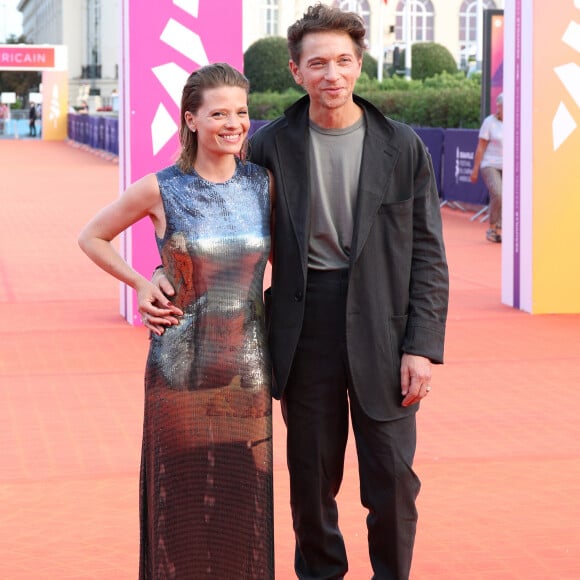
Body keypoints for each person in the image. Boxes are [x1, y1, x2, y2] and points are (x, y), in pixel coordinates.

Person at [149, 5, 448, 579]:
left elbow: (430, 255)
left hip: (385, 329)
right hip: (301, 325)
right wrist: (164, 268)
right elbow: (210, 208)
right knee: (310, 480)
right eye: (317, 63)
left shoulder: (402, 146)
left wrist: (421, 346)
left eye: (342, 60)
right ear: (295, 71)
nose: (331, 74)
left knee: (392, 480)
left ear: (359, 65)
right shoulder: (269, 148)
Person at [78, 63, 275, 579]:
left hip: (248, 371)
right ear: (191, 119)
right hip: (179, 369)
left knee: (242, 504)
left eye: (241, 112)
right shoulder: (162, 188)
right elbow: (92, 236)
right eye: (219, 113)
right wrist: (142, 284)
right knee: (181, 506)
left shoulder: (262, 185)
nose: (233, 123)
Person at [470, 92, 503, 243]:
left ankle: (499, 228)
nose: (500, 109)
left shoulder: (517, 122)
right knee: (498, 193)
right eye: (499, 106)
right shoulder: (489, 122)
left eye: (503, 107)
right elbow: (481, 147)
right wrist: (475, 169)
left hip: (510, 166)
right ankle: (492, 227)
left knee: (507, 198)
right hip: (490, 164)